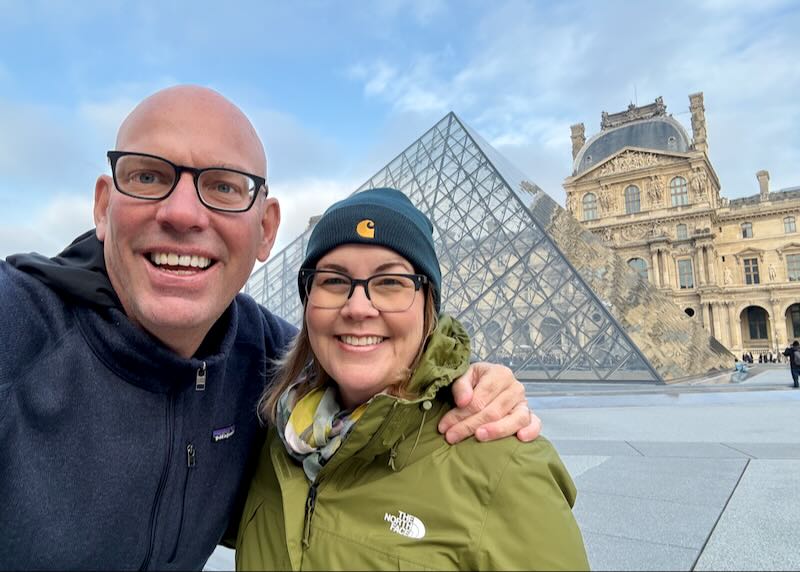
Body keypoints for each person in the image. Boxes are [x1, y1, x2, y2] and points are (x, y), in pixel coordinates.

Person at [0, 86, 539, 570]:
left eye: (224, 186)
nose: (184, 213)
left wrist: (462, 382)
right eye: (148, 175)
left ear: (266, 231)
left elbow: (366, 356)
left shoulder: (273, 361)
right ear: (103, 204)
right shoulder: (16, 329)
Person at [236, 189, 589, 570]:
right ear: (308, 304)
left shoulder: (506, 468)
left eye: (390, 282)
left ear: (428, 307)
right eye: (334, 281)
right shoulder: (273, 437)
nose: (358, 307)